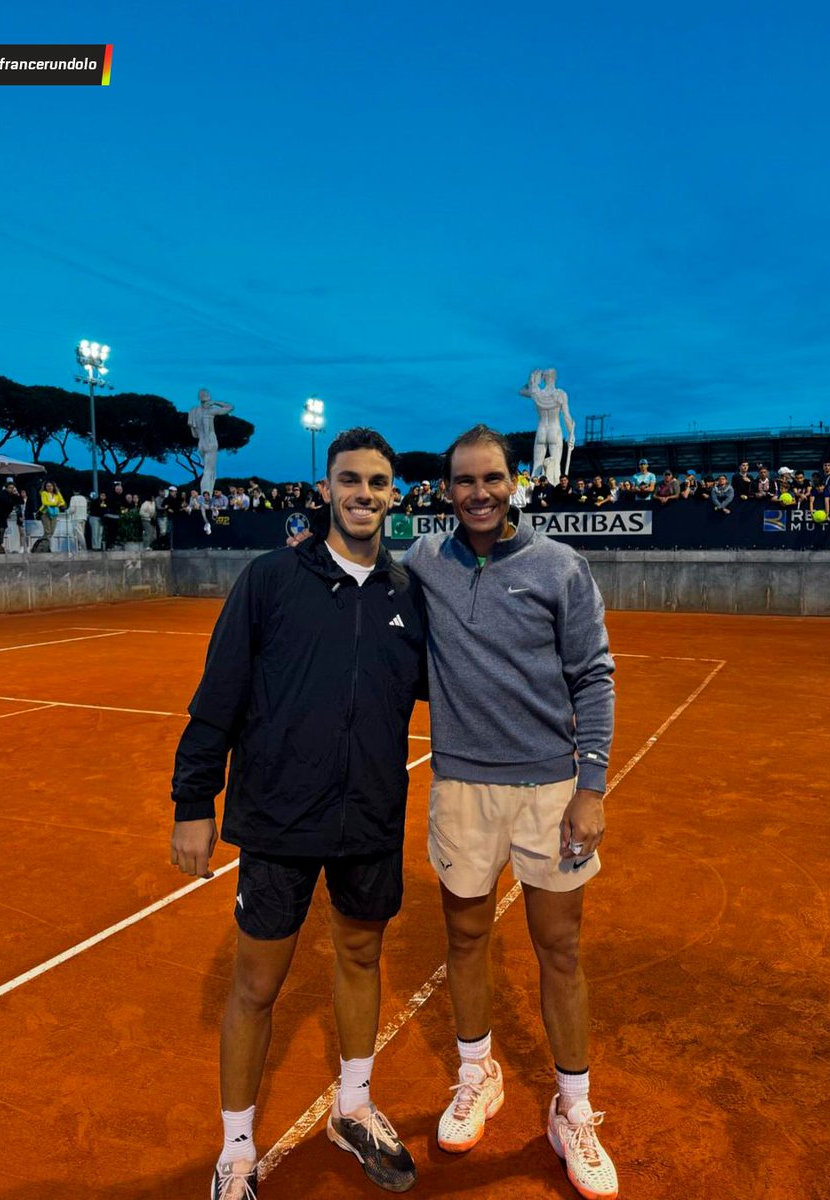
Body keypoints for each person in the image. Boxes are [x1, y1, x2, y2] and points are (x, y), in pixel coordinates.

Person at [171, 428, 427, 1200]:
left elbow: (459, 691)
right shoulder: (270, 580)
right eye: (350, 479)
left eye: (378, 483)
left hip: (371, 815)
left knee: (359, 956)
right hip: (279, 817)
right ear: (325, 489)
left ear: (395, 496)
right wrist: (193, 801)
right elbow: (219, 695)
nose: (363, 494)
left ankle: (351, 1105)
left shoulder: (408, 594)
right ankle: (236, 1150)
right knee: (256, 984)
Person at [403, 424, 618, 1200]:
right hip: (460, 787)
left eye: (492, 478)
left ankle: (575, 1109)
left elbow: (594, 676)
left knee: (559, 951)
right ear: (446, 490)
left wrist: (590, 786)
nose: (480, 493)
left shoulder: (560, 566)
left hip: (549, 795)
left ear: (514, 480)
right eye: (464, 481)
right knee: (464, 938)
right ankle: (477, 1074)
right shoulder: (424, 562)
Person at [521, 368, 575, 481]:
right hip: (554, 430)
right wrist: (571, 433)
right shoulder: (560, 394)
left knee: (536, 465)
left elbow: (522, 391)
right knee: (555, 465)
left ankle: (532, 489)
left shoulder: (537, 393)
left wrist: (533, 382)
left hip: (541, 429)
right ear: (555, 378)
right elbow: (566, 416)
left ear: (544, 378)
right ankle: (554, 489)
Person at [188, 387, 234, 498]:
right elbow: (230, 407)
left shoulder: (193, 411)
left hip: (201, 444)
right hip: (210, 442)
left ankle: (207, 493)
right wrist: (216, 402)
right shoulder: (211, 410)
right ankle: (206, 496)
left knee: (208, 470)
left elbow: (194, 434)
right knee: (209, 471)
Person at [38, 481, 65, 548]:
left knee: (52, 532)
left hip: (54, 513)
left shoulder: (57, 493)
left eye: (50, 486)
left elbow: (62, 502)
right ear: (45, 487)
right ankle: (45, 547)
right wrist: (56, 504)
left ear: (53, 486)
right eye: (47, 486)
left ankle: (40, 544)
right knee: (48, 531)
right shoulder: (44, 493)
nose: (49, 487)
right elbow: (45, 503)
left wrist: (58, 505)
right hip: (45, 512)